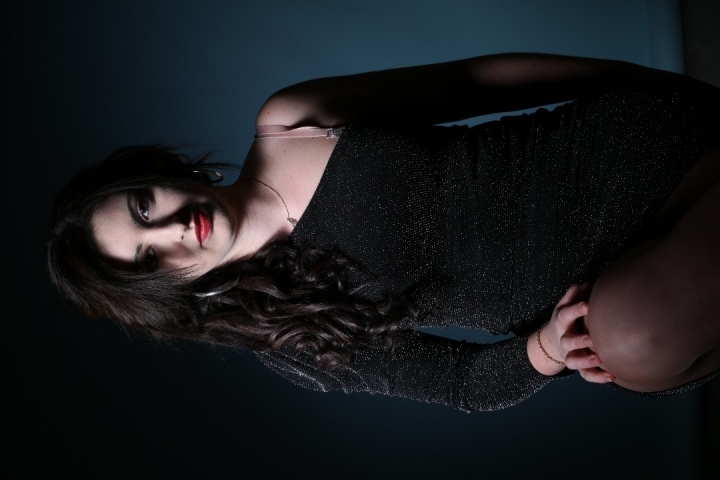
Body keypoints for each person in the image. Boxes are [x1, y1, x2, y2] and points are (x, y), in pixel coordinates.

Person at [47, 53, 720, 412]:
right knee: (631, 340)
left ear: (160, 175)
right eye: (150, 259)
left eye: (144, 206)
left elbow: (478, 82)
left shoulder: (289, 122)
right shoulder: (289, 340)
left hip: (615, 155)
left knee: (638, 328)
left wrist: (633, 79)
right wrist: (544, 348)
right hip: (610, 298)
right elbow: (460, 384)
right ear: (168, 293)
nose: (172, 229)